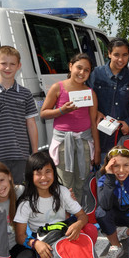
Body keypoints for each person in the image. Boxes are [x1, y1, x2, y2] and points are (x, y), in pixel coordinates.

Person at [13, 152, 98, 258]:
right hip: (45, 239)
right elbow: (20, 237)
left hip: (64, 233)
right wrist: (35, 244)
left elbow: (82, 216)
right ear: (30, 175)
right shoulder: (26, 203)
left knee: (91, 230)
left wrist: (78, 224)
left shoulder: (62, 191)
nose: (44, 177)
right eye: (38, 173)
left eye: (48, 171)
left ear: (54, 172)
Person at [40, 53, 100, 203]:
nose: (82, 72)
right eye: (79, 67)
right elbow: (44, 113)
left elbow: (93, 122)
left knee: (82, 182)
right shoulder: (58, 88)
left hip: (84, 143)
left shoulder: (90, 93)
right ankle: (65, 217)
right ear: (70, 66)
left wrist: (97, 150)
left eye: (86, 70)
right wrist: (61, 111)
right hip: (63, 144)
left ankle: (78, 214)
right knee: (65, 184)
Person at [0, 45, 39, 184]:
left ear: (19, 66)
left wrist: (34, 153)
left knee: (21, 194)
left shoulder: (25, 93)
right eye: (3, 63)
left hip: (21, 156)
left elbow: (31, 124)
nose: (8, 68)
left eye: (12, 64)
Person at [89, 37, 129, 155]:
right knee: (101, 171)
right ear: (109, 54)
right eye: (116, 55)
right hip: (99, 137)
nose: (121, 59)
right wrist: (95, 112)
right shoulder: (95, 74)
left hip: (122, 137)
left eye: (125, 55)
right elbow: (86, 99)